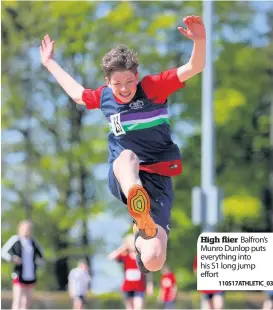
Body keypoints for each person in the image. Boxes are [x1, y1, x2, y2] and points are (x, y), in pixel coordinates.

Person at [40, 15, 206, 273]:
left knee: (154, 260)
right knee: (127, 155)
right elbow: (77, 94)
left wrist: (200, 40)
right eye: (117, 84)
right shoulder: (105, 97)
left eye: (130, 81)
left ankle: (139, 238)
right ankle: (137, 201)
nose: (125, 89)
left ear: (137, 76)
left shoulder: (153, 87)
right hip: (125, 173)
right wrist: (50, 63)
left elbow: (194, 67)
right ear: (107, 82)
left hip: (159, 179)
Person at [1, 220, 44, 310]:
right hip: (19, 274)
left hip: (31, 275)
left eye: (28, 228)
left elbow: (41, 254)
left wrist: (39, 262)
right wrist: (12, 258)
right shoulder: (15, 239)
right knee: (18, 300)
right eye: (24, 228)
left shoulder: (33, 241)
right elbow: (3, 252)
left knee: (27, 302)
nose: (26, 230)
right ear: (20, 229)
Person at [108, 234, 153, 310]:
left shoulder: (142, 256)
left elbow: (147, 272)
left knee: (138, 307)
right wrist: (123, 247)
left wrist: (149, 285)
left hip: (139, 287)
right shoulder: (125, 256)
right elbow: (111, 257)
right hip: (128, 287)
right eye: (131, 243)